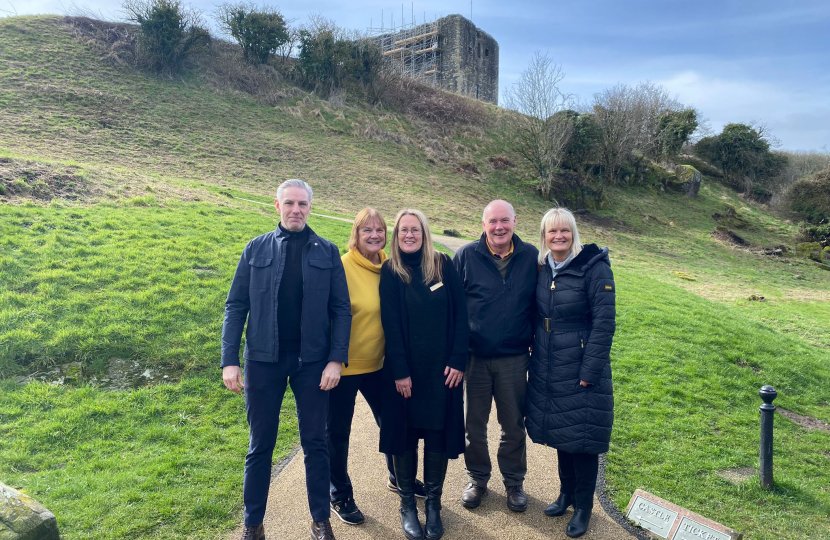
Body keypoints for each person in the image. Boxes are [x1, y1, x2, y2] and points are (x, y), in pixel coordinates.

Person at [221, 179, 352, 540]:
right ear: (277, 206)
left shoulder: (327, 251)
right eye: (290, 203)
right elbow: (235, 306)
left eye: (303, 204)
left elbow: (341, 310)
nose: (297, 210)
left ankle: (320, 521)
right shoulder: (255, 249)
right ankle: (253, 525)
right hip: (263, 361)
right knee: (260, 446)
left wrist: (335, 360)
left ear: (311, 208)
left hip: (312, 363)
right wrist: (229, 360)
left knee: (315, 443)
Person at [327, 208, 425, 526]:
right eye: (366, 230)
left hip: (380, 364)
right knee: (338, 434)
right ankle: (339, 494)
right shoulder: (340, 268)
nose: (373, 235)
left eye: (379, 230)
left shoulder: (390, 266)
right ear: (355, 235)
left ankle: (399, 477)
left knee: (394, 424)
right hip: (343, 366)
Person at [379, 209, 469, 540]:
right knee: (403, 437)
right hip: (404, 372)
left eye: (414, 229)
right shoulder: (391, 271)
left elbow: (461, 315)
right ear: (397, 235)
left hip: (443, 372)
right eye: (403, 230)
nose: (409, 235)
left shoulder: (445, 264)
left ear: (424, 232)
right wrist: (400, 372)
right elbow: (390, 324)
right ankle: (406, 504)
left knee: (436, 436)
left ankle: (433, 505)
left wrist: (459, 360)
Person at [526, 207, 616, 539]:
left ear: (573, 233)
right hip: (550, 361)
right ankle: (565, 494)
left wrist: (589, 370)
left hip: (580, 364)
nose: (558, 236)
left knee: (583, 440)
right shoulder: (543, 268)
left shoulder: (594, 268)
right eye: (552, 231)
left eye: (564, 231)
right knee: (563, 432)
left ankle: (583, 507)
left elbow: (605, 325)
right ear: (544, 236)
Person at [452, 200, 538, 512]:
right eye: (493, 221)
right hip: (474, 357)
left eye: (505, 220)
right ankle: (477, 479)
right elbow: (451, 307)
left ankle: (514, 481)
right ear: (484, 223)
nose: (499, 227)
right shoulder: (464, 256)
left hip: (514, 357)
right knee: (474, 424)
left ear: (515, 221)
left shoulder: (530, 257)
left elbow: (539, 303)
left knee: (513, 424)